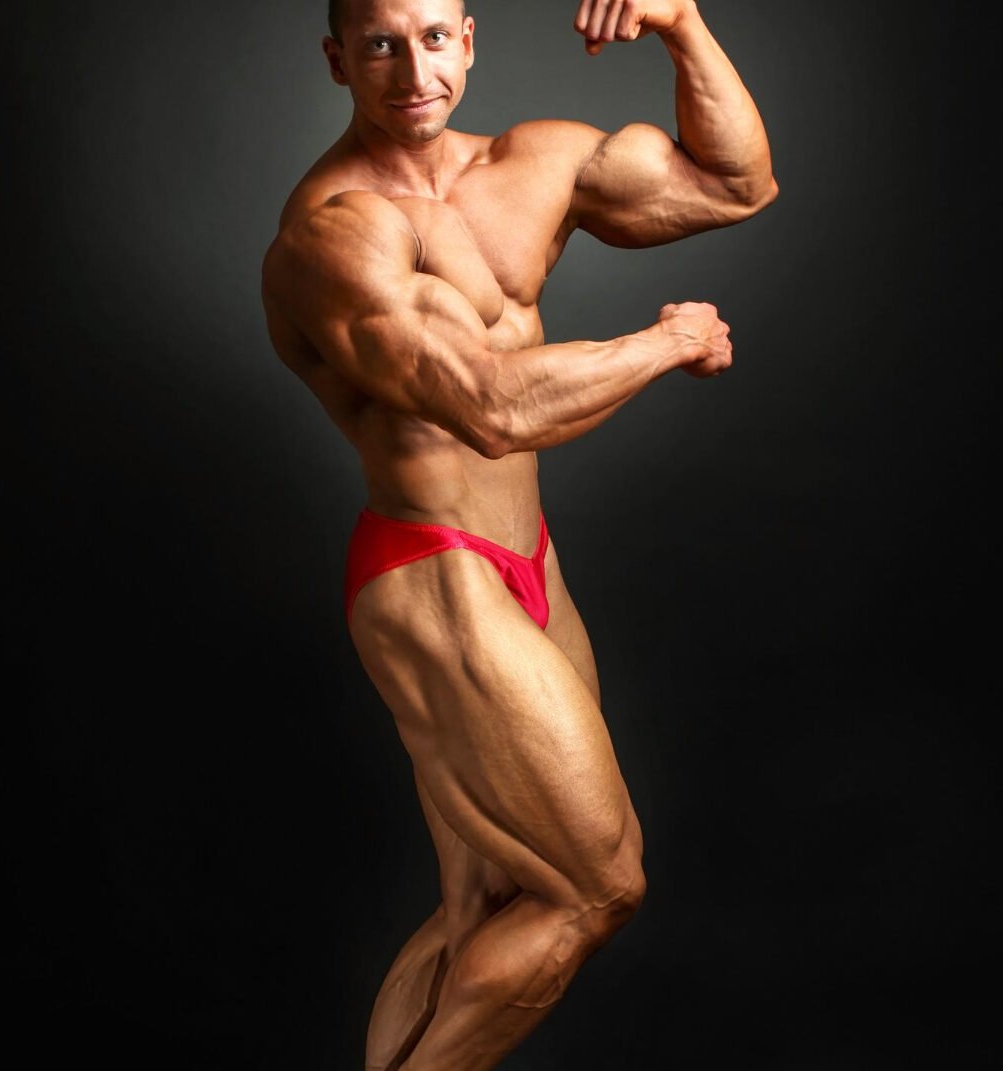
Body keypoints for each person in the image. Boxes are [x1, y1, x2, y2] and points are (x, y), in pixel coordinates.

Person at [260, 0, 777, 1066]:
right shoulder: (333, 234)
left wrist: (682, 23)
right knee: (601, 884)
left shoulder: (528, 165)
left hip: (527, 563)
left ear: (470, 38)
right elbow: (488, 409)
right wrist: (664, 341)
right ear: (336, 58)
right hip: (431, 574)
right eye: (381, 45)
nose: (414, 70)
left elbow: (739, 185)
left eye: (435, 37)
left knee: (487, 902)